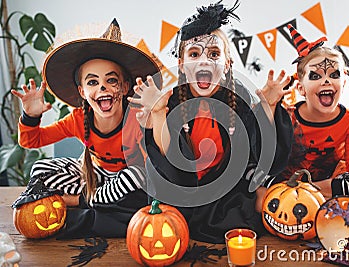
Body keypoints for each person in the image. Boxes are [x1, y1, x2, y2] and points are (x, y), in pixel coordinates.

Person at [131, 1, 293, 243]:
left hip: (225, 193)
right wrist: (159, 112)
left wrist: (267, 107)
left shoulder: (238, 98)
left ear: (226, 64)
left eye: (214, 54)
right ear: (182, 65)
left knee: (264, 198)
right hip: (182, 192)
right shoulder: (173, 99)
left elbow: (258, 150)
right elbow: (166, 158)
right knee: (164, 217)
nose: (204, 61)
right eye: (194, 54)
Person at [11, 19, 161, 238]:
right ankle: (92, 202)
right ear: (82, 92)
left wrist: (156, 119)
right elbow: (30, 142)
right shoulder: (79, 119)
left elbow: (152, 167)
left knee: (137, 175)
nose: (102, 87)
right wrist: (31, 116)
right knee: (40, 168)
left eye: (111, 80)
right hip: (94, 176)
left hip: (127, 184)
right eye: (92, 82)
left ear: (125, 87)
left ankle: (78, 202)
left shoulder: (137, 117)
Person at [256, 24, 349, 209]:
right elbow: (264, 154)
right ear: (301, 88)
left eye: (334, 75)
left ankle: (302, 195)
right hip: (286, 181)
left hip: (327, 184)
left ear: (343, 83)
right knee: (255, 182)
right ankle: (300, 197)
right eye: (315, 76)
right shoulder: (287, 117)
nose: (326, 80)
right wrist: (267, 107)